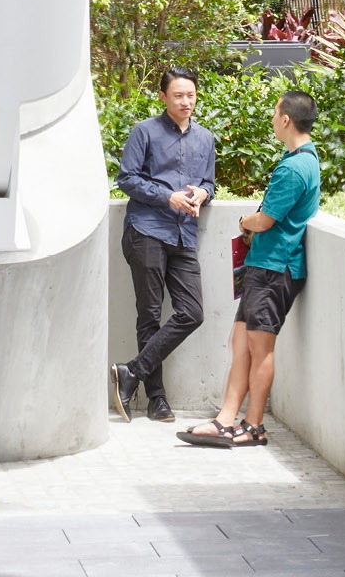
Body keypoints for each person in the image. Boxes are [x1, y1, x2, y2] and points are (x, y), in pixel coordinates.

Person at [178, 87, 320, 449]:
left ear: (286, 119)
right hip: (265, 266)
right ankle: (225, 420)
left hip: (275, 268)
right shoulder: (304, 160)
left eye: (275, 113)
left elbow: (266, 220)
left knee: (260, 348)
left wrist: (245, 220)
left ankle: (254, 426)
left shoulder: (295, 167)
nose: (273, 119)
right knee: (239, 340)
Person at [109, 66, 216, 423]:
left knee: (193, 313)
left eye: (191, 95)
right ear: (163, 97)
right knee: (150, 314)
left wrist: (203, 191)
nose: (186, 102)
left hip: (184, 234)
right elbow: (126, 178)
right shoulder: (145, 132)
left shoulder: (206, 138)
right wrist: (167, 197)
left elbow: (209, 184)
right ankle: (157, 400)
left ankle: (131, 372)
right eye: (178, 96)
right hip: (147, 230)